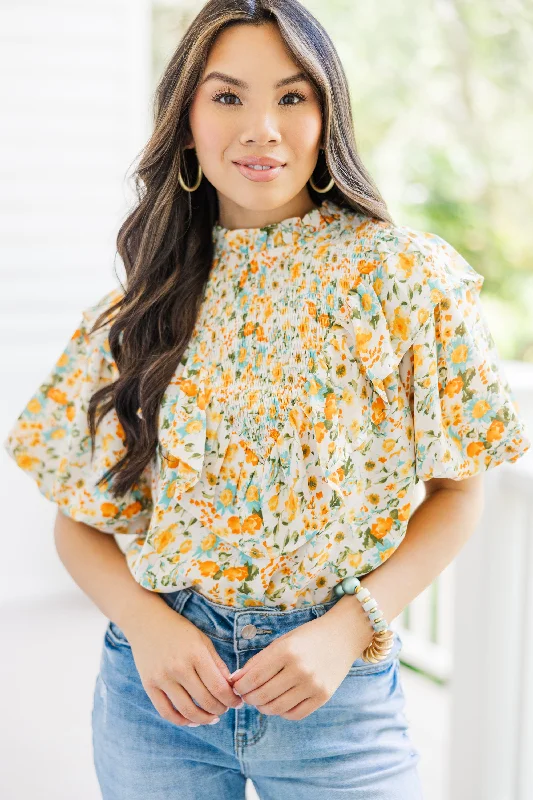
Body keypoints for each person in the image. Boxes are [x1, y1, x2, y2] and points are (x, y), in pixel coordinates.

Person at [4, 2, 531, 798]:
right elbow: (79, 522)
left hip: (336, 693)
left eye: (291, 97)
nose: (261, 128)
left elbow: (459, 491)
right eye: (227, 97)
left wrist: (348, 627)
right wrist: (147, 629)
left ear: (328, 114)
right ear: (184, 121)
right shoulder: (138, 308)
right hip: (159, 699)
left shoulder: (401, 277)